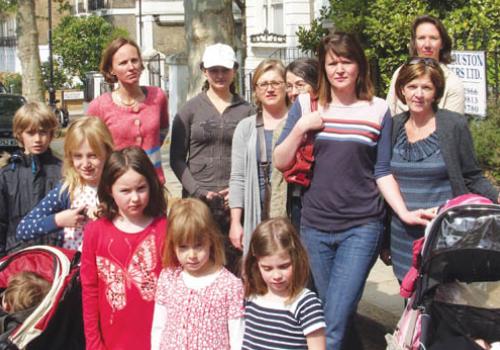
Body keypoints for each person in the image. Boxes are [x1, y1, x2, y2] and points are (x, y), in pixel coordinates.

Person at [274, 32, 433, 349]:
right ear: (323, 66)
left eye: (347, 61)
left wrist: (403, 212)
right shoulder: (307, 104)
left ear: (360, 66)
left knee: (332, 320)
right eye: (332, 62)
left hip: (361, 228)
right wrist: (303, 127)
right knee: (331, 313)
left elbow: (382, 170)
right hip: (314, 227)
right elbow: (280, 160)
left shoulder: (377, 110)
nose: (339, 69)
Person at [386, 58, 499, 282]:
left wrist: (496, 196)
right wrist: (383, 242)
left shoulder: (452, 124)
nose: (418, 94)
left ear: (436, 92)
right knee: (410, 309)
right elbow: (383, 179)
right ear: (402, 90)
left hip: (444, 235)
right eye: (412, 86)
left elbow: (472, 176)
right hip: (403, 238)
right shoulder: (393, 126)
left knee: (443, 310)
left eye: (426, 87)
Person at [170, 43, 253, 271]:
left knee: (234, 266)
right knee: (197, 263)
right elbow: (176, 158)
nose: (219, 75)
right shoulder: (190, 109)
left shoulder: (247, 111)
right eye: (213, 69)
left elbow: (253, 160)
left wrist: (239, 192)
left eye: (225, 69)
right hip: (197, 203)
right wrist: (199, 191)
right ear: (204, 71)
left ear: (235, 70)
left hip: (233, 204)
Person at [81, 146, 167, 350]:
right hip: (112, 340)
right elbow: (89, 291)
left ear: (151, 185)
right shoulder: (95, 232)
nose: (135, 198)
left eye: (141, 188)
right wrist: (94, 343)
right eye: (125, 191)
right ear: (110, 189)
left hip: (159, 338)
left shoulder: (165, 228)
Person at [151, 198, 244, 350]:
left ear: (211, 241)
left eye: (198, 246)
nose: (192, 255)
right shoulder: (168, 279)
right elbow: (159, 326)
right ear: (173, 245)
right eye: (183, 247)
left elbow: (237, 336)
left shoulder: (230, 285)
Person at [16, 117, 114, 251]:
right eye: (78, 156)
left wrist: (108, 211)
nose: (85, 164)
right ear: (70, 157)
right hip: (76, 266)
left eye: (93, 155)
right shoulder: (67, 190)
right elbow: (23, 229)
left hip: (111, 263)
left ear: (107, 152)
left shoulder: (117, 186)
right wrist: (58, 220)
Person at [87, 37, 169, 184]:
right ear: (112, 69)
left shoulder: (158, 97)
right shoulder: (99, 107)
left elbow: (162, 131)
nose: (131, 67)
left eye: (134, 60)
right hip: (118, 185)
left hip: (154, 183)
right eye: (123, 63)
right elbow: (90, 147)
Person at [229, 59, 289, 255]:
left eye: (276, 83)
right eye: (263, 84)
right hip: (257, 213)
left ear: (285, 86)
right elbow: (238, 178)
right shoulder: (245, 128)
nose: (270, 89)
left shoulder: (297, 122)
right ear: (255, 90)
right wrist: (236, 222)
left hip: (293, 214)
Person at [242, 218, 326, 349]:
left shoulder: (306, 303)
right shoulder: (250, 298)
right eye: (267, 268)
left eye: (284, 266)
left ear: (296, 259)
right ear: (256, 263)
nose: (276, 276)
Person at [0, 102, 61, 257]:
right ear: (20, 134)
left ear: (52, 134)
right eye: (31, 133)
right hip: (16, 255)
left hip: (56, 254)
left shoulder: (64, 171)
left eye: (43, 132)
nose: (38, 139)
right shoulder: (7, 175)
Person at [386, 15, 464, 115]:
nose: (427, 45)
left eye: (433, 38)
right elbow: (389, 115)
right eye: (421, 38)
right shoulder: (400, 73)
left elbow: (453, 128)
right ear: (414, 43)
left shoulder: (453, 84)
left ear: (442, 44)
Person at [284, 58, 320, 230]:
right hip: (297, 197)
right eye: (289, 86)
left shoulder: (322, 114)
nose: (293, 92)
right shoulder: (291, 118)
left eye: (300, 85)